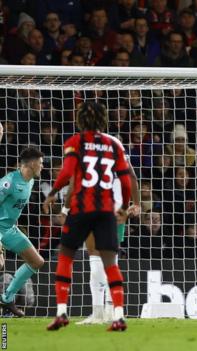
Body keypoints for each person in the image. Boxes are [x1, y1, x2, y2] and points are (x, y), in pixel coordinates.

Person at [43, 102, 133, 332]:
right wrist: (123, 205)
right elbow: (125, 178)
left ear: (79, 120)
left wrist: (53, 192)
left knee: (65, 256)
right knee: (111, 262)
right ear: (104, 119)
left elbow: (67, 174)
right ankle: (119, 316)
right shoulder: (114, 144)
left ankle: (62, 312)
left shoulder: (75, 142)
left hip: (82, 208)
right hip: (106, 210)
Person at [66, 162, 140, 325]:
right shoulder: (117, 148)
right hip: (116, 210)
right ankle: (110, 310)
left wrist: (66, 209)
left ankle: (98, 313)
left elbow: (74, 182)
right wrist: (136, 203)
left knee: (95, 257)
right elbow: (132, 177)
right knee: (110, 260)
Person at [0, 148, 46, 317]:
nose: (42, 167)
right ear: (32, 163)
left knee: (37, 262)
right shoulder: (9, 182)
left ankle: (6, 298)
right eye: (41, 163)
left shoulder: (31, 182)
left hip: (10, 229)